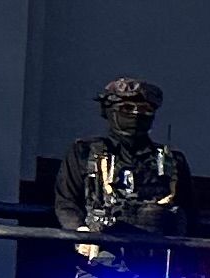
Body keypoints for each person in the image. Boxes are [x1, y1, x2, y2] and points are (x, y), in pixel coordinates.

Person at [52, 74, 191, 235]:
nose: (136, 114)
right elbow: (66, 202)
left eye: (145, 110)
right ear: (109, 111)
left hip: (157, 249)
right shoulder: (85, 151)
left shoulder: (172, 159)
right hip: (103, 247)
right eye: (127, 108)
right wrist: (80, 232)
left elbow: (188, 210)